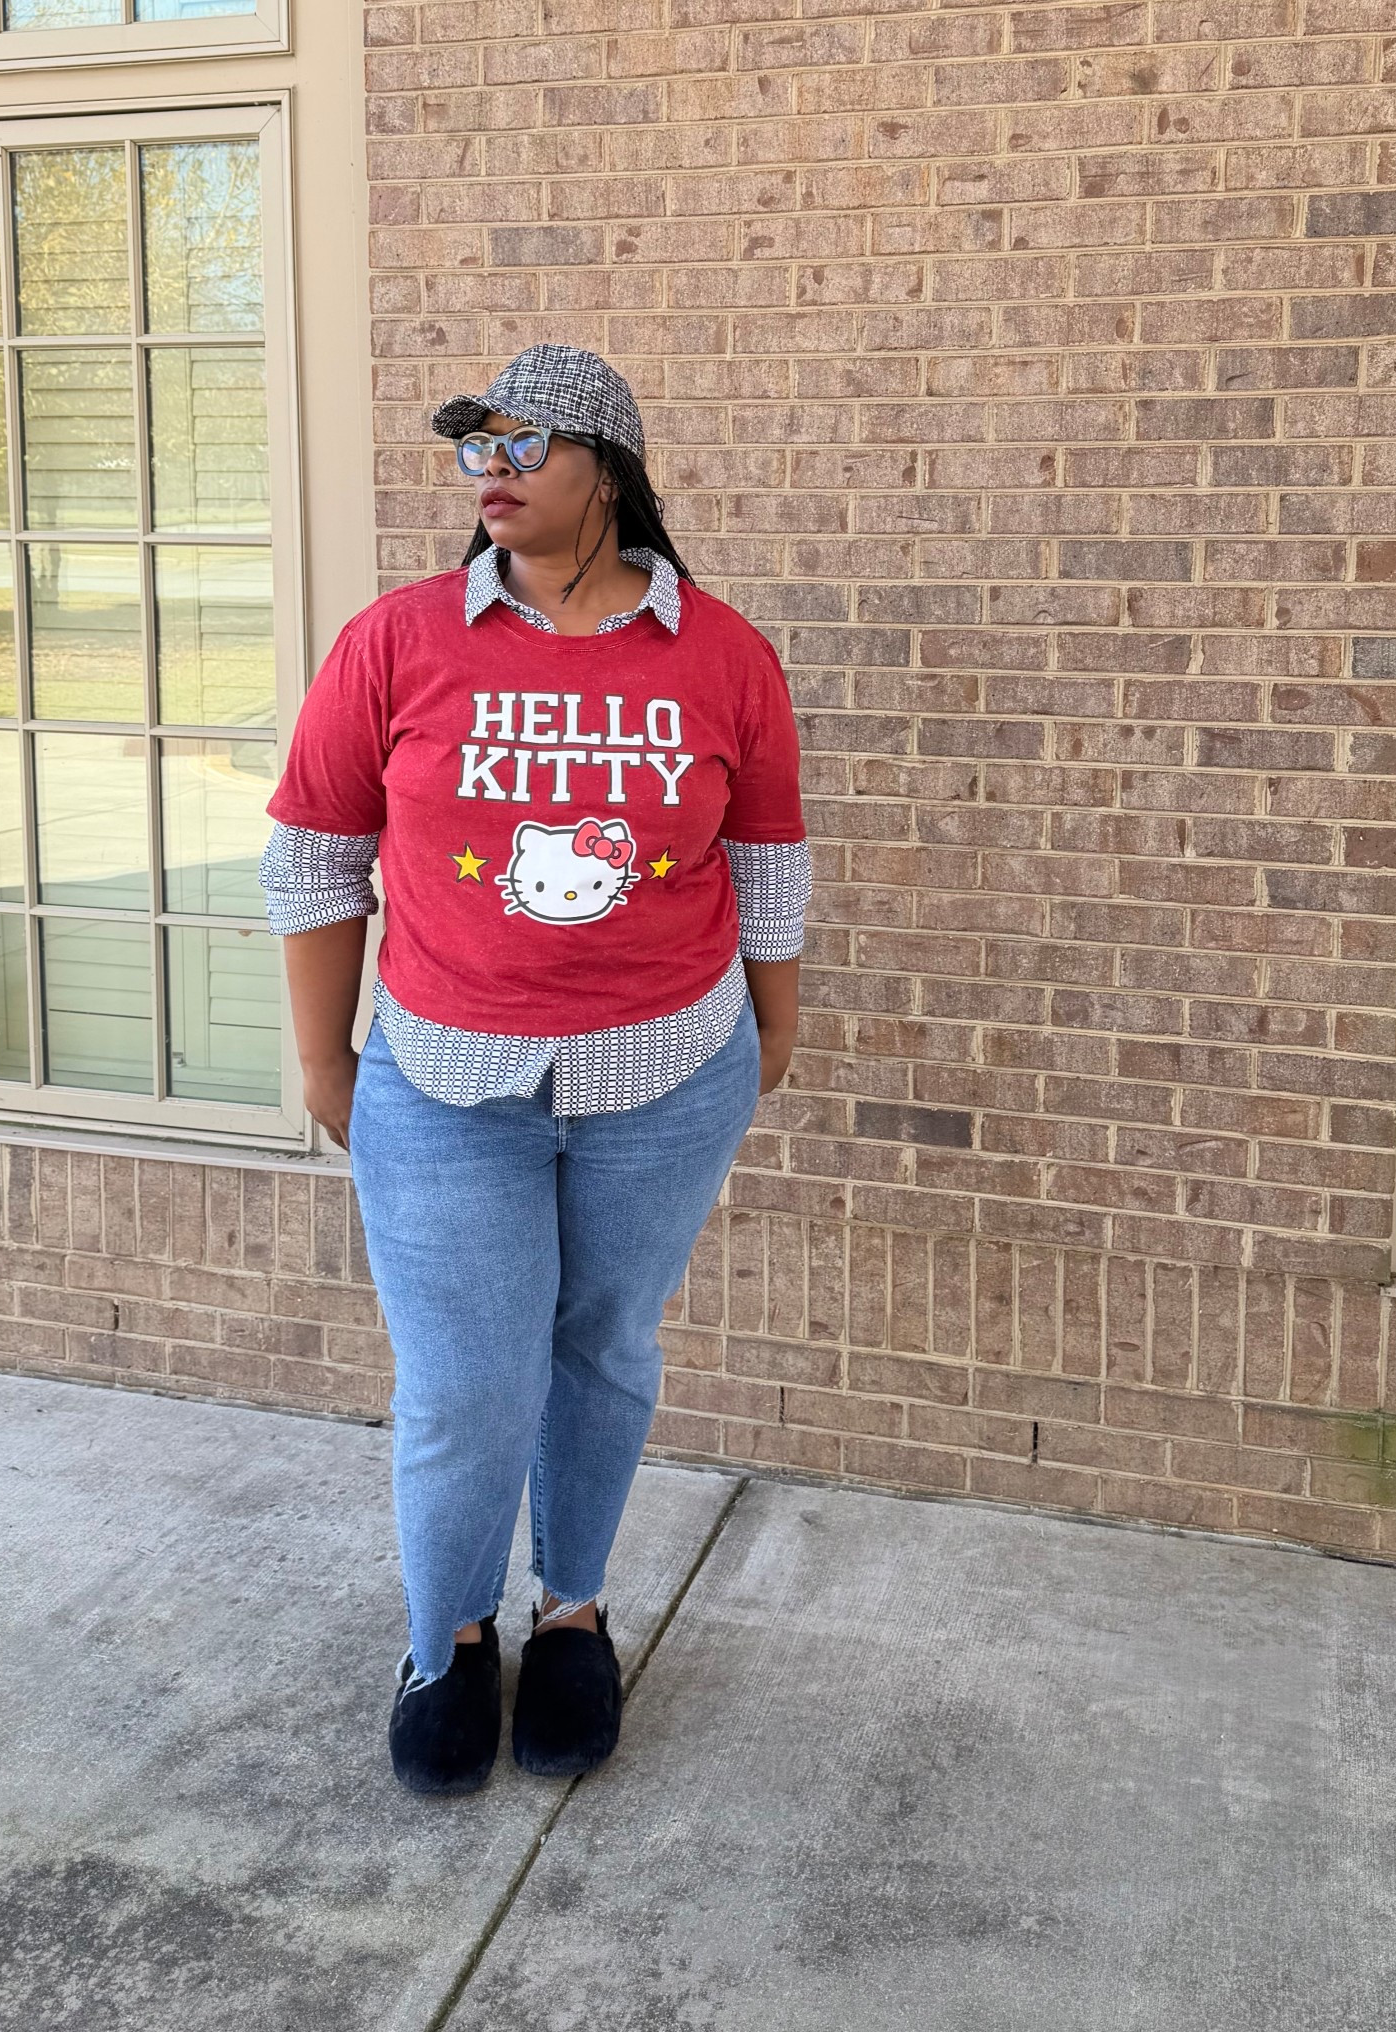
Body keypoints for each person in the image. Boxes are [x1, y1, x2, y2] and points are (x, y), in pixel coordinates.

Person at [259, 344, 810, 1797]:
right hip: (443, 1089)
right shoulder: (398, 642)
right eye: (473, 449)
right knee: (462, 1387)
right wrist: (327, 1058)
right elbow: (317, 854)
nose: (488, 469)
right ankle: (447, 1643)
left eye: (522, 444)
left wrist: (772, 1038)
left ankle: (571, 1614)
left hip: (669, 1082)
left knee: (603, 1350)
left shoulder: (723, 656)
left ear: (610, 467)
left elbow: (767, 869)